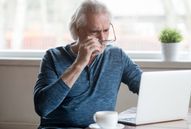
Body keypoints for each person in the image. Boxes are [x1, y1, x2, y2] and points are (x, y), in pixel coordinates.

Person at [34, 0, 142, 128]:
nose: (103, 38)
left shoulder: (116, 56)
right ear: (78, 30)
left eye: (106, 30)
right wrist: (79, 63)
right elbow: (42, 107)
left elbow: (146, 87)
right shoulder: (53, 57)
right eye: (95, 31)